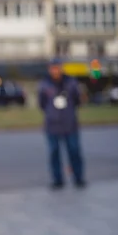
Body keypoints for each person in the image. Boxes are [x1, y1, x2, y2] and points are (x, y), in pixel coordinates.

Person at [38, 58, 86, 189]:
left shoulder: (71, 82)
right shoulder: (44, 84)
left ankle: (79, 178)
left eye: (57, 67)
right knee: (54, 153)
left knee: (74, 151)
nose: (55, 70)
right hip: (52, 125)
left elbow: (77, 100)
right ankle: (57, 180)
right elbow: (42, 103)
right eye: (53, 68)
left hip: (69, 124)